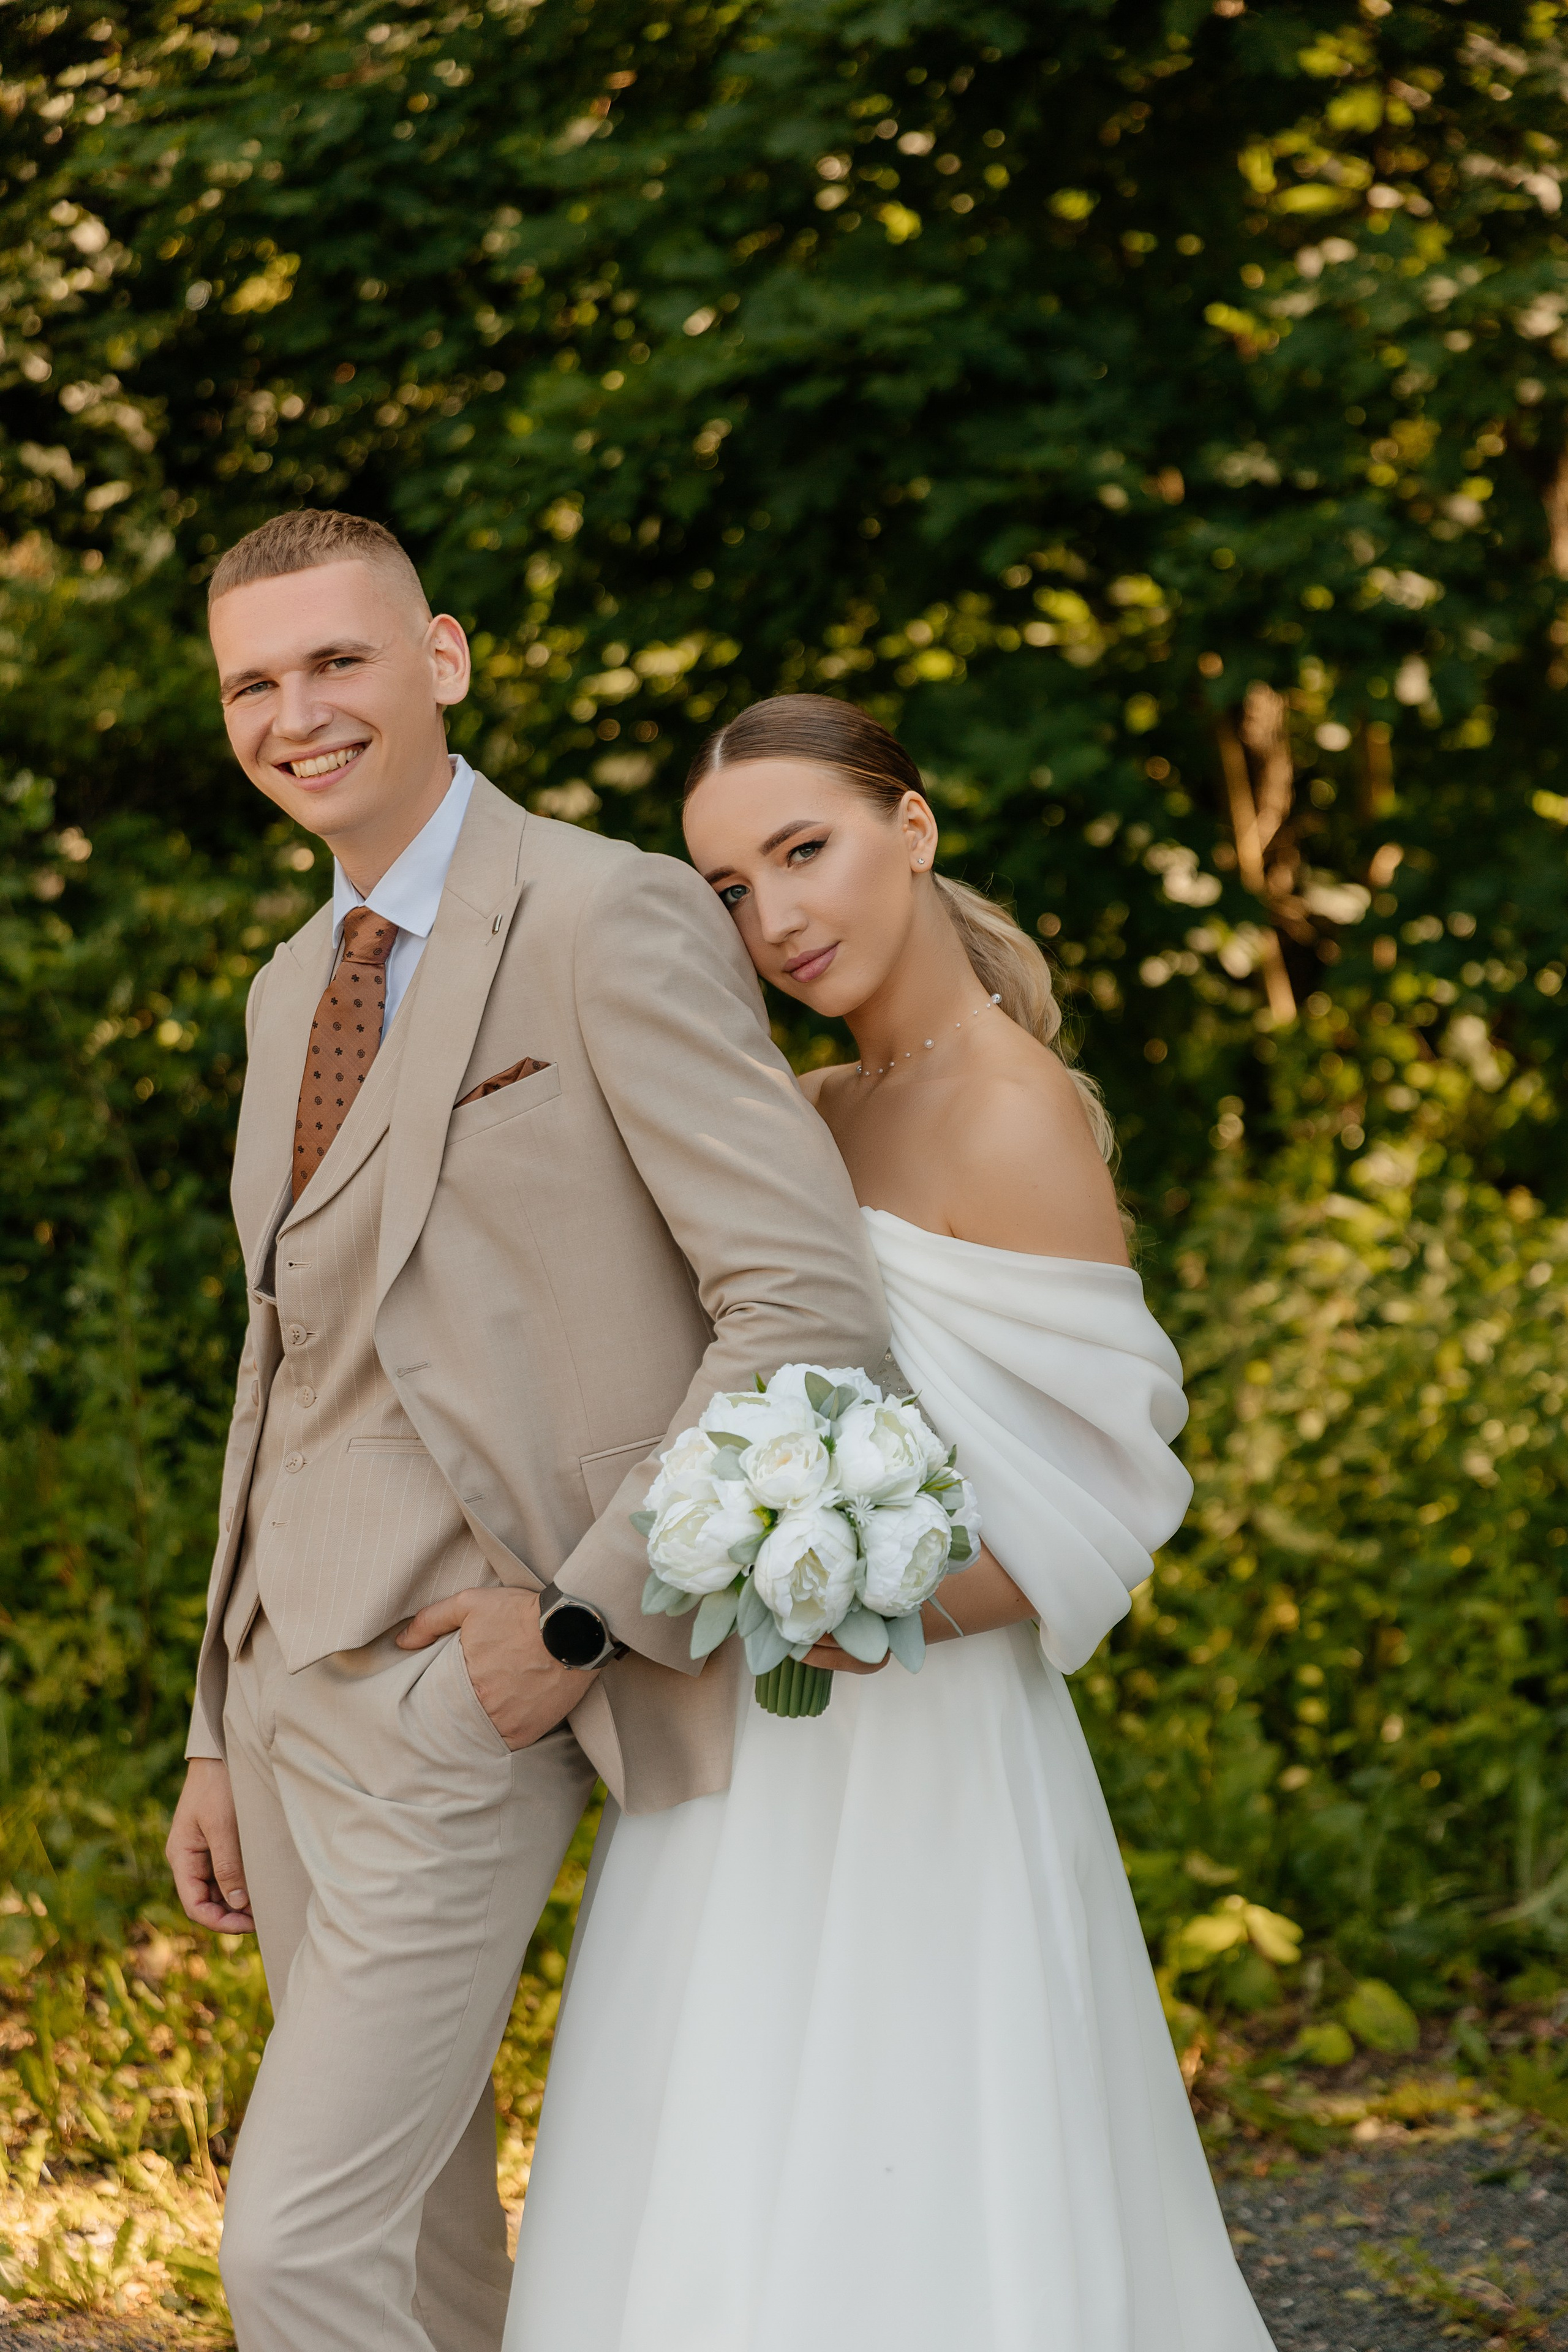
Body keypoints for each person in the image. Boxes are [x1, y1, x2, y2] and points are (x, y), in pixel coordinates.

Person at [163, 527, 888, 2352]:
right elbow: (282, 1372)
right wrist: (211, 1733)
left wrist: (577, 1622)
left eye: (338, 662)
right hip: (281, 1700)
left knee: (290, 2254)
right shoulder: (282, 993)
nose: (298, 713)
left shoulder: (601, 909)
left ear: (447, 660)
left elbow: (804, 1310)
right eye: (257, 682)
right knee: (418, 2255)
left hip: (465, 1694)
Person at [507, 695, 1275, 2352]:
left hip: (915, 1741)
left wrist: (855, 1591)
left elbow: (1111, 1494)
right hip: (741, 1729)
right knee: (710, 2148)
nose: (776, 917)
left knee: (914, 2144)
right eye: (725, 887)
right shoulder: (812, 1106)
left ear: (911, 829)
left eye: (806, 850)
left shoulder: (1011, 1110)